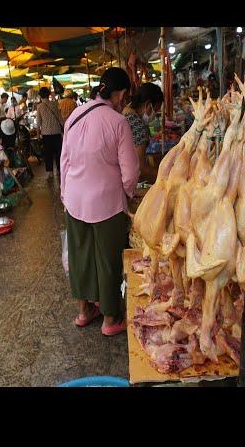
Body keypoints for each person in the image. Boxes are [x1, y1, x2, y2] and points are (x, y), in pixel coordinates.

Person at [61, 67, 139, 336]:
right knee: (108, 260)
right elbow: (129, 173)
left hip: (74, 199)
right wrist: (130, 194)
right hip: (107, 202)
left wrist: (65, 195)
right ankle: (109, 319)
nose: (123, 101)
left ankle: (84, 311)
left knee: (81, 256)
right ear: (119, 93)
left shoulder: (73, 116)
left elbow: (64, 162)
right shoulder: (118, 123)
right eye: (124, 95)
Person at [122, 82, 164, 183]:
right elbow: (140, 168)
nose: (155, 116)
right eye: (156, 111)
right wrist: (165, 178)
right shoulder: (137, 124)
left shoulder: (123, 112)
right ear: (148, 105)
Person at [36, 86, 64, 179]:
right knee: (58, 152)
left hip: (46, 134)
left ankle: (50, 172)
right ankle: (60, 171)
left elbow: (38, 123)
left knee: (48, 154)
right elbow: (60, 118)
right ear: (48, 95)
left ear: (40, 96)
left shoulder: (39, 107)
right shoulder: (55, 104)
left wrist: (38, 135)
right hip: (56, 132)